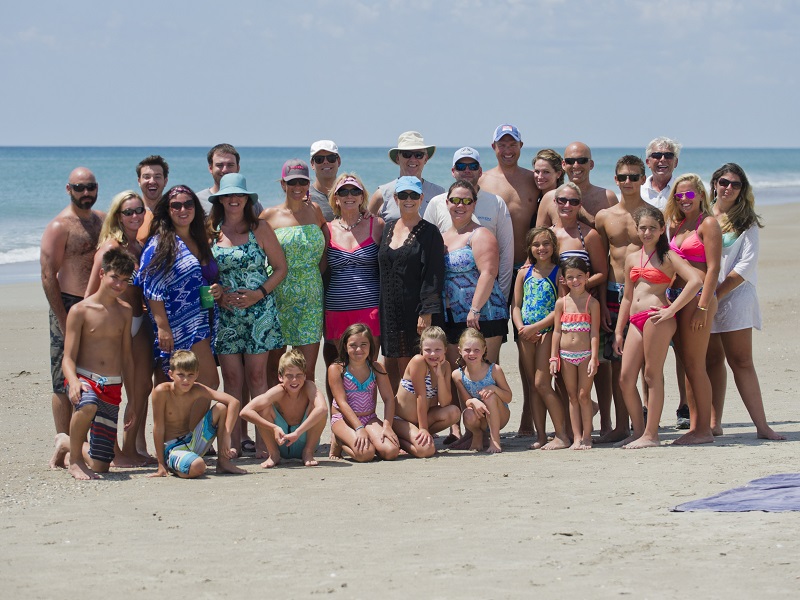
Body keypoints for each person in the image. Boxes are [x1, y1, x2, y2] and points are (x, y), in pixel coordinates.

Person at [208, 173, 286, 455]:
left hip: (260, 314)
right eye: (228, 195)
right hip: (226, 316)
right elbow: (205, 273)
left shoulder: (260, 228)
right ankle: (230, 443)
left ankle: (265, 441)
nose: (233, 199)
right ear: (220, 199)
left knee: (257, 377)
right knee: (231, 379)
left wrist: (259, 294)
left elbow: (280, 268)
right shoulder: (211, 230)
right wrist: (217, 293)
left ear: (246, 199)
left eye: (239, 195)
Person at [706, 164, 784, 441]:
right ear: (714, 183)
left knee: (741, 361)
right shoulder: (701, 216)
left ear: (742, 190)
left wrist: (717, 295)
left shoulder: (746, 221)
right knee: (711, 359)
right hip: (703, 297)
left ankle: (762, 427)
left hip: (735, 296)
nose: (728, 187)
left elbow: (746, 264)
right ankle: (714, 423)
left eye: (735, 184)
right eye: (724, 182)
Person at [614, 206, 702, 448]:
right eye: (642, 228)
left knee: (652, 375)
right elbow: (628, 298)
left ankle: (651, 435)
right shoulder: (632, 257)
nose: (647, 232)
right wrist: (619, 331)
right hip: (635, 320)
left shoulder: (669, 256)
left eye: (652, 228)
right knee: (625, 378)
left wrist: (671, 309)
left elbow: (696, 280)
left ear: (662, 229)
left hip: (658, 319)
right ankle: (639, 431)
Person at [49, 248, 136, 480]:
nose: (118, 284)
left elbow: (127, 358)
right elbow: (67, 358)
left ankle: (66, 442)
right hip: (84, 379)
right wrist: (74, 382)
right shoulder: (80, 310)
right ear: (102, 273)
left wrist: (134, 400)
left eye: (124, 281)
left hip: (112, 386)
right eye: (114, 277)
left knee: (100, 465)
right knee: (87, 403)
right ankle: (76, 460)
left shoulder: (125, 311)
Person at [85, 191, 152, 466]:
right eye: (128, 212)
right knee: (109, 389)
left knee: (141, 388)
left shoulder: (141, 245)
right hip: (112, 325)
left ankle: (130, 448)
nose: (135, 216)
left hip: (138, 321)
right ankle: (113, 452)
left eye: (139, 211)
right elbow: (90, 293)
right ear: (117, 216)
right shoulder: (110, 247)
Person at [41, 166, 104, 435]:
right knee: (62, 378)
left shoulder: (102, 220)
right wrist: (63, 319)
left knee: (96, 374)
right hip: (67, 304)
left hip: (98, 305)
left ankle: (91, 443)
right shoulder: (60, 226)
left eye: (90, 186)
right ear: (69, 189)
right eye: (79, 187)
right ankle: (64, 442)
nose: (86, 192)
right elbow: (47, 276)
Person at [136, 185, 219, 388]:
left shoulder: (201, 239)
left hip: (201, 319)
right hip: (177, 323)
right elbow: (151, 287)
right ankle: (188, 422)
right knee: (207, 382)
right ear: (168, 210)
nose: (183, 210)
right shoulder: (160, 243)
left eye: (188, 204)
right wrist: (163, 327)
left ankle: (188, 422)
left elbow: (207, 276)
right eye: (176, 205)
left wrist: (219, 289)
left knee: (188, 384)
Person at [593, 156, 652, 443]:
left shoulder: (653, 214)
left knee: (647, 364)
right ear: (615, 180)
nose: (628, 182)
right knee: (617, 362)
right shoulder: (605, 216)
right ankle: (620, 425)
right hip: (615, 293)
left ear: (643, 178)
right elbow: (602, 265)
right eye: (623, 177)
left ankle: (647, 427)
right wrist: (602, 302)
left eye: (634, 176)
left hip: (645, 293)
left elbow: (663, 257)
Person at [664, 174, 722, 445]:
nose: (683, 200)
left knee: (696, 365)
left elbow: (713, 268)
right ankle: (696, 426)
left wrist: (703, 305)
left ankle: (703, 430)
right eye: (678, 196)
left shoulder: (707, 223)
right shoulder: (678, 224)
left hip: (698, 299)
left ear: (700, 194)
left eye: (688, 195)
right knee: (687, 364)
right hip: (678, 297)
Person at [260, 160, 328, 381]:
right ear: (283, 184)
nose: (297, 187)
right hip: (277, 298)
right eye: (292, 182)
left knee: (306, 371)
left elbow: (326, 249)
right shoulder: (269, 216)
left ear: (308, 183)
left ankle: (306, 416)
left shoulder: (316, 211)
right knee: (275, 371)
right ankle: (274, 416)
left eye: (302, 182)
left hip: (310, 299)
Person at [378, 176, 446, 390]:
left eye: (414, 195)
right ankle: (397, 415)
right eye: (403, 195)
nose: (409, 199)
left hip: (416, 312)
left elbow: (433, 275)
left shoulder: (430, 232)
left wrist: (426, 312)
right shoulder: (387, 228)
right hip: (390, 311)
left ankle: (419, 417)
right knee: (392, 365)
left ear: (422, 198)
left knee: (416, 369)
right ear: (395, 198)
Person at [423, 147, 514, 301]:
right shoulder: (436, 203)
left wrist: (503, 296)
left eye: (472, 166)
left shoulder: (496, 203)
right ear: (453, 171)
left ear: (480, 171)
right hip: (448, 299)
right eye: (461, 166)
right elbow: (426, 251)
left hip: (488, 298)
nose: (467, 170)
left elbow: (506, 252)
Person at [511, 227, 570, 450]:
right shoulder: (523, 273)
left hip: (547, 332)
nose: (541, 248)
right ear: (530, 248)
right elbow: (516, 306)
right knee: (532, 386)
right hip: (525, 333)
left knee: (542, 383)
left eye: (546, 244)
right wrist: (521, 328)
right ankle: (542, 435)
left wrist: (536, 327)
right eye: (536, 245)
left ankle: (562, 434)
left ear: (553, 246)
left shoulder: (558, 273)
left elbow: (561, 307)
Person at [148, 350, 245, 478]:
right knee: (198, 467)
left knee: (221, 408)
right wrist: (160, 464)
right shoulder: (161, 391)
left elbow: (234, 402)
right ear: (171, 374)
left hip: (192, 440)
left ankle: (223, 462)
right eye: (181, 375)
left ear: (197, 374)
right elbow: (158, 427)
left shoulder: (197, 389)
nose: (186, 380)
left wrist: (227, 435)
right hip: (173, 447)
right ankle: (174, 464)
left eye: (190, 375)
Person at [322, 173, 383, 377]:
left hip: (370, 308)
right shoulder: (327, 229)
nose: (350, 195)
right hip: (337, 308)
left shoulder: (377, 225)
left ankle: (368, 410)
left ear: (362, 196)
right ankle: (339, 410)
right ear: (336, 198)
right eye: (343, 191)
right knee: (341, 369)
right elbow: (318, 266)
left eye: (355, 190)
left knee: (369, 368)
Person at [240, 349, 328, 468]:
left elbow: (322, 409)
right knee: (263, 408)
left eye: (299, 375)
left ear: (305, 375)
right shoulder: (278, 391)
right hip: (280, 440)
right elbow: (245, 411)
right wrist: (273, 427)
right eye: (289, 376)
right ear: (280, 377)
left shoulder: (309, 387)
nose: (294, 380)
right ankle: (273, 454)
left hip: (303, 438)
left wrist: (297, 432)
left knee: (318, 409)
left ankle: (308, 452)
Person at [328, 324, 400, 462]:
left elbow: (388, 398)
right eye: (353, 345)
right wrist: (358, 428)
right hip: (343, 419)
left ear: (370, 346)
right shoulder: (337, 369)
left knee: (391, 451)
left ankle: (368, 440)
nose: (359, 349)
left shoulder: (376, 367)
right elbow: (341, 403)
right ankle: (340, 441)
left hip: (369, 417)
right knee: (365, 454)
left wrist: (387, 426)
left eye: (363, 344)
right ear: (345, 346)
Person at [550, 257, 600, 450]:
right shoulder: (561, 303)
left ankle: (588, 436)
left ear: (587, 277)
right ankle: (577, 436)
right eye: (570, 277)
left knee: (584, 395)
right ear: (564, 279)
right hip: (566, 355)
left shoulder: (592, 303)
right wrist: (554, 357)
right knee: (571, 396)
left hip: (586, 354)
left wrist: (594, 358)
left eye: (579, 276)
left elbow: (594, 333)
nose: (575, 281)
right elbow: (556, 331)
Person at [479, 124, 539, 277]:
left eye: (513, 145)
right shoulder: (481, 181)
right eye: (502, 145)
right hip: (491, 267)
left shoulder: (534, 180)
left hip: (527, 265)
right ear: (493, 146)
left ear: (521, 145)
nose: (508, 150)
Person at [392, 326, 460, 458]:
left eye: (437, 350)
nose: (433, 354)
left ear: (445, 349)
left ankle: (418, 435)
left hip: (421, 419)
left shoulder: (445, 366)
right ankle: (401, 441)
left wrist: (440, 376)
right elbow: (421, 396)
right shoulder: (418, 361)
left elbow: (445, 403)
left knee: (454, 412)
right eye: (428, 350)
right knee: (426, 451)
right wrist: (423, 428)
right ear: (421, 350)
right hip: (401, 420)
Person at [452, 328, 513, 453]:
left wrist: (494, 389)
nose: (472, 354)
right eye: (467, 350)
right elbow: (466, 401)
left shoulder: (494, 370)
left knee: (489, 396)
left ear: (484, 350)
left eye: (476, 350)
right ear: (460, 350)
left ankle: (495, 441)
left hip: (500, 415)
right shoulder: (457, 375)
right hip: (480, 418)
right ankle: (478, 435)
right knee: (467, 414)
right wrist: (473, 401)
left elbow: (508, 397)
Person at [537, 141, 618, 228]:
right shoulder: (549, 199)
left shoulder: (607, 198)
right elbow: (539, 238)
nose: (576, 165)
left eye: (582, 160)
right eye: (570, 161)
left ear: (591, 164)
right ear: (563, 165)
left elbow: (617, 236)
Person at [368, 131, 444, 220]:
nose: (412, 159)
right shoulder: (382, 194)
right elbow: (368, 228)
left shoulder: (439, 194)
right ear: (397, 158)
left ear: (425, 159)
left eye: (418, 155)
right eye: (406, 154)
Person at [195, 143, 264, 216]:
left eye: (230, 165)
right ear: (210, 168)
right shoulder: (198, 201)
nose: (225, 170)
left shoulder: (253, 203)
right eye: (219, 165)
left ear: (238, 168)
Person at [135, 155, 170, 243]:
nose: (152, 181)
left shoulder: (175, 211)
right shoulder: (131, 214)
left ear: (165, 181)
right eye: (147, 177)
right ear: (139, 181)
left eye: (157, 177)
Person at [642, 137, 681, 211]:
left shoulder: (682, 191)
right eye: (657, 155)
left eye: (668, 155)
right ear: (648, 162)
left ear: (676, 162)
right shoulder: (638, 190)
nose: (663, 159)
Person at [309, 140, 339, 222]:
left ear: (338, 161)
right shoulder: (305, 197)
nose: (326, 162)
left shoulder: (351, 193)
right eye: (319, 159)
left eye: (331, 158)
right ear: (312, 164)